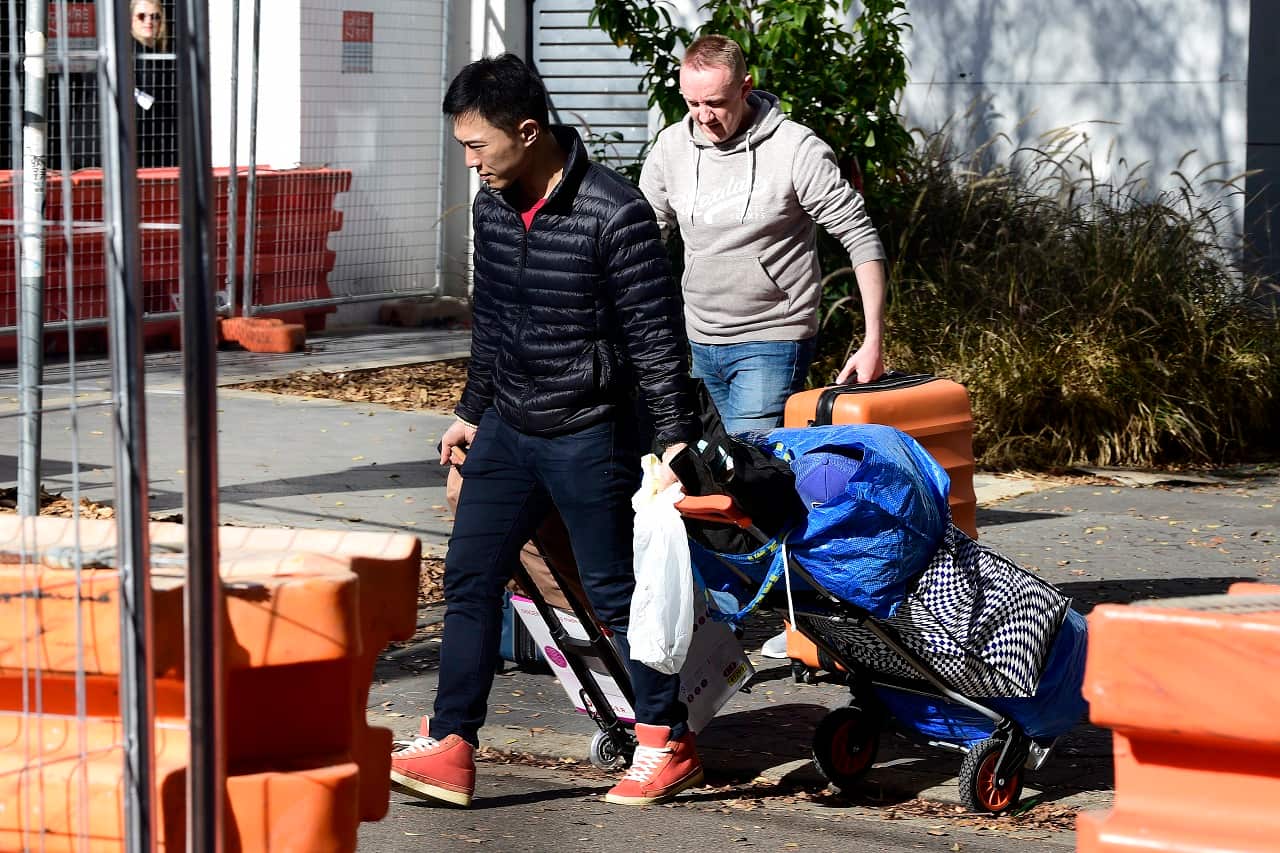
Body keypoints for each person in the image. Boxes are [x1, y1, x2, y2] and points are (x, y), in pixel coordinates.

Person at [389, 54, 704, 808]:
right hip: (510, 425)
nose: (469, 162)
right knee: (469, 577)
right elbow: (492, 320)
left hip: (590, 432)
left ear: (527, 132)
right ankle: (453, 742)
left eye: (476, 146)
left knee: (615, 594)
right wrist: (470, 411)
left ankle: (666, 740)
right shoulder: (491, 206)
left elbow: (658, 341)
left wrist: (673, 444)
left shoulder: (613, 211)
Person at [639, 34, 889, 659]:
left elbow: (859, 236)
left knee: (747, 485)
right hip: (697, 339)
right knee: (689, 480)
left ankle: (808, 618)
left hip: (772, 339)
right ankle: (733, 611)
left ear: (744, 89)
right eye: (693, 102)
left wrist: (873, 338)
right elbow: (639, 242)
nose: (705, 116)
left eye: (717, 102)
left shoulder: (795, 148)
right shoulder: (672, 147)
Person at [130, 0, 177, 168]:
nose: (149, 21)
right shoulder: (125, 52)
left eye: (155, 16)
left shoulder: (164, 55)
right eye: (142, 16)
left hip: (158, 145)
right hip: (134, 144)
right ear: (131, 19)